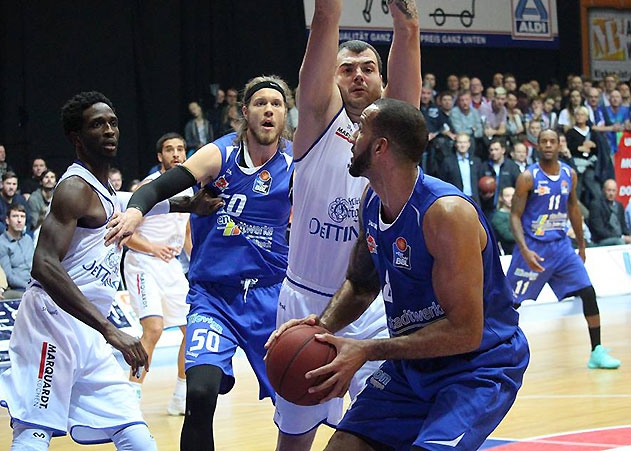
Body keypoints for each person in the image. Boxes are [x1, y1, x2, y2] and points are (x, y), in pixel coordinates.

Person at [269, 98, 529, 451]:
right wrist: (321, 328)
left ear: (380, 147)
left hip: (476, 367)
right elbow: (361, 285)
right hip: (413, 364)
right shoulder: (371, 201)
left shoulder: (445, 214)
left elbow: (466, 332)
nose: (352, 137)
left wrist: (366, 350)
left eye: (360, 130)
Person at [0, 91, 202, 449]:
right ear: (77, 138)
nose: (109, 130)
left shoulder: (105, 189)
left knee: (136, 435)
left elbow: (130, 203)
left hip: (89, 329)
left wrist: (190, 204)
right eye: (97, 124)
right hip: (51, 324)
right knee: (34, 435)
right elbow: (43, 265)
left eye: (113, 123)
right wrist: (112, 331)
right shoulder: (73, 188)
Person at [104, 75, 293, 451]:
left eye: (277, 104)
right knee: (201, 395)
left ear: (286, 114)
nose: (268, 110)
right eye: (260, 103)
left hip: (271, 296)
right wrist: (136, 212)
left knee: (294, 406)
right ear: (245, 112)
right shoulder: (218, 155)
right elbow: (157, 187)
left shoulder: (296, 162)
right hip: (214, 297)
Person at [270, 0, 420, 449]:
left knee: (380, 433)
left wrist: (406, 18)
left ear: (382, 80)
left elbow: (408, 32)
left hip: (374, 307)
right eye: (347, 69)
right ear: (332, 80)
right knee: (295, 439)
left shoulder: (395, 130)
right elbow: (325, 18)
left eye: (368, 69)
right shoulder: (318, 119)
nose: (358, 76)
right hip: (308, 303)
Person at [506, 129, 620, 370]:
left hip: (561, 247)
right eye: (543, 141)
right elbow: (514, 216)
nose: (548, 145)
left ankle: (597, 351)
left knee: (588, 292)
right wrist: (524, 250)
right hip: (533, 248)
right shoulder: (528, 177)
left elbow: (574, 209)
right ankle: (491, 352)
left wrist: (581, 245)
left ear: (559, 145)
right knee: (509, 304)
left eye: (552, 141)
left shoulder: (569, 174)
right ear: (537, 146)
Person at [123, 132, 194, 416]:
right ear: (159, 156)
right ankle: (130, 397)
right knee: (153, 329)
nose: (176, 154)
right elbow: (126, 235)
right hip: (142, 262)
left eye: (180, 149)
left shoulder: (190, 190)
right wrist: (153, 248)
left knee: (193, 329)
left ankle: (180, 395)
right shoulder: (148, 186)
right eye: (169, 149)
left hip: (171, 265)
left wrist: (198, 264)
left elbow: (186, 233)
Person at [0, 204, 34, 297]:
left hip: (36, 284)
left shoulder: (28, 239)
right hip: (18, 288)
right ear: (7, 220)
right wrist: (30, 286)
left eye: (22, 217)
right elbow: (9, 277)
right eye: (15, 216)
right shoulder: (2, 243)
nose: (19, 220)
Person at [439, 132, 483, 205]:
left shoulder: (476, 161)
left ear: (469, 144)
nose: (462, 145)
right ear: (456, 144)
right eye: (460, 142)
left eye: (465, 142)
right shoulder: (448, 161)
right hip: (455, 200)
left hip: (474, 200)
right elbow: (443, 182)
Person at [587, 179, 631, 246]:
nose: (611, 193)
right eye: (609, 190)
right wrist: (621, 237)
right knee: (619, 241)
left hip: (619, 237)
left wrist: (629, 235)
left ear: (616, 191)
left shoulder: (619, 205)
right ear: (603, 190)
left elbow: (623, 227)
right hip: (601, 240)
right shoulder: (596, 205)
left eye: (613, 191)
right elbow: (599, 230)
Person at [27, 169, 56, 235]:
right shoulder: (34, 198)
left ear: (55, 182)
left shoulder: (58, 196)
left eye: (52, 177)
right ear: (41, 182)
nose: (49, 180)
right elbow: (34, 223)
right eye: (46, 177)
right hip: (38, 231)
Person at [492, 186, 516, 254]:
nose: (511, 198)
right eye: (507, 196)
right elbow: (508, 236)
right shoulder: (498, 217)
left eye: (513, 195)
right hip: (509, 253)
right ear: (501, 198)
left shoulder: (521, 213)